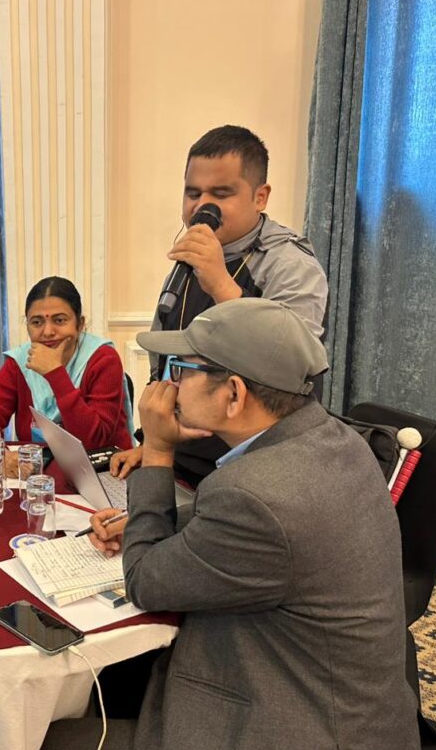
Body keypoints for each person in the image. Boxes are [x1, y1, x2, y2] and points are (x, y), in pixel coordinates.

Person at [39, 298, 419, 750]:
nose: (168, 384)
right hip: (349, 704)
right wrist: (146, 520)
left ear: (234, 394)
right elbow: (269, 535)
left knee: (43, 744)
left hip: (299, 731)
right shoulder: (337, 440)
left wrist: (157, 449)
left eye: (180, 368)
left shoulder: (252, 495)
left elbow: (144, 580)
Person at [110, 125, 328, 488]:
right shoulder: (189, 261)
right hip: (184, 458)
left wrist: (221, 284)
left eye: (221, 193)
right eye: (193, 192)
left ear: (260, 197)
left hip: (257, 472)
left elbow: (297, 363)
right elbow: (167, 359)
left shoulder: (291, 265)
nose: (201, 206)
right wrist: (152, 445)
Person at [0, 276, 133, 478]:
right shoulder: (20, 362)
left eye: (59, 320)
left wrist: (55, 374)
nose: (48, 332)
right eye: (37, 322)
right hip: (40, 476)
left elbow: (95, 441)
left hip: (103, 472)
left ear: (80, 324)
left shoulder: (103, 358)